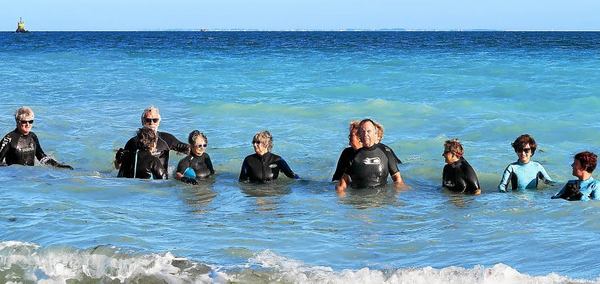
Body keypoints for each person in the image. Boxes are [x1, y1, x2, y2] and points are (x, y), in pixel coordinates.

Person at [114, 106, 189, 179]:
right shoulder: (132, 142)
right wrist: (117, 161)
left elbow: (188, 149)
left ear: (159, 122)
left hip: (160, 180)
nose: (151, 123)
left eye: (155, 120)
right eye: (148, 120)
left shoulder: (167, 139)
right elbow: (120, 167)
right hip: (141, 180)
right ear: (142, 121)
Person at [336, 119, 405, 192]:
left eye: (369, 131)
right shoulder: (352, 155)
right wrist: (340, 198)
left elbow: (398, 180)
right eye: (363, 132)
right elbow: (342, 184)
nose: (366, 134)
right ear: (359, 135)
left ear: (375, 133)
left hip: (381, 199)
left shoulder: (385, 151)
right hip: (358, 199)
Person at [0, 106, 72, 169]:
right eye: (24, 122)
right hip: (15, 178)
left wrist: (58, 165)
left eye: (30, 121)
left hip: (31, 176)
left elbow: (42, 157)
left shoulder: (32, 136)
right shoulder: (8, 139)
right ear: (17, 121)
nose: (28, 124)